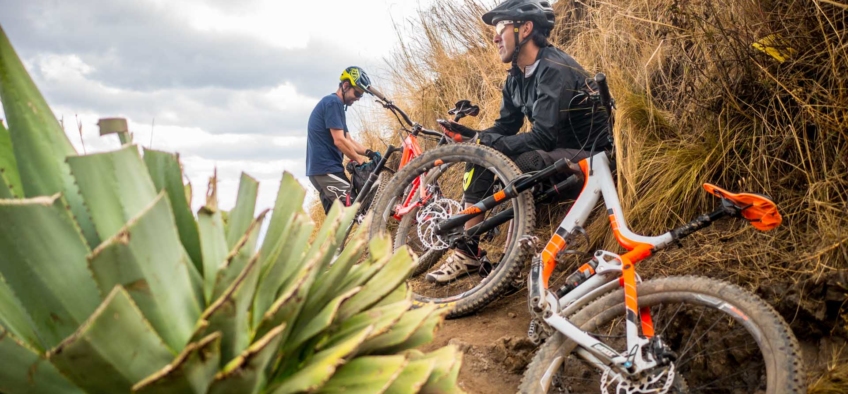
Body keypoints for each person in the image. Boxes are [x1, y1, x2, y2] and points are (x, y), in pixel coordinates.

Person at [426, 0, 612, 283]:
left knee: (525, 163)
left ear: (525, 28)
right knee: (481, 160)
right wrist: (475, 138)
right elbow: (506, 125)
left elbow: (543, 137)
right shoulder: (515, 77)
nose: (494, 36)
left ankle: (517, 257)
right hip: (558, 151)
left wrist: (484, 142)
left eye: (501, 26)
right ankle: (468, 253)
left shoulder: (555, 69)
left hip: (591, 155)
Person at [306, 66, 377, 213]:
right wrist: (359, 161)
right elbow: (339, 141)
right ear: (345, 85)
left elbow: (348, 140)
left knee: (336, 222)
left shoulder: (335, 105)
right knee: (357, 210)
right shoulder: (333, 103)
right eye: (357, 93)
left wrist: (370, 153)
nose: (357, 98)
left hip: (323, 171)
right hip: (327, 171)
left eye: (361, 95)